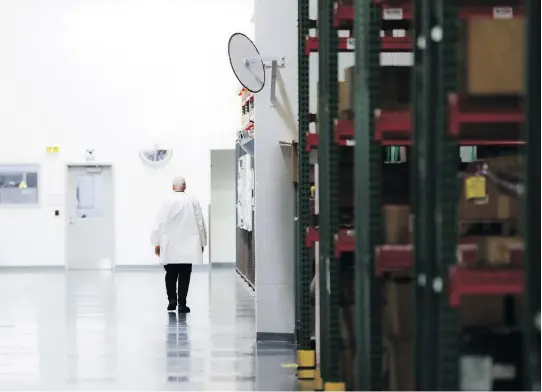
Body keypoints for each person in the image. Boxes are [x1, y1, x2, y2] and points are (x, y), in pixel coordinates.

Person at [151, 176, 207, 313]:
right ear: (185, 186)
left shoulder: (166, 201)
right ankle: (182, 304)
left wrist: (156, 243)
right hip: (188, 245)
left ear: (172, 187)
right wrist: (202, 242)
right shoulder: (192, 200)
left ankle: (172, 300)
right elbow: (200, 222)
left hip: (169, 244)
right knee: (185, 274)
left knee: (170, 273)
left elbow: (159, 223)